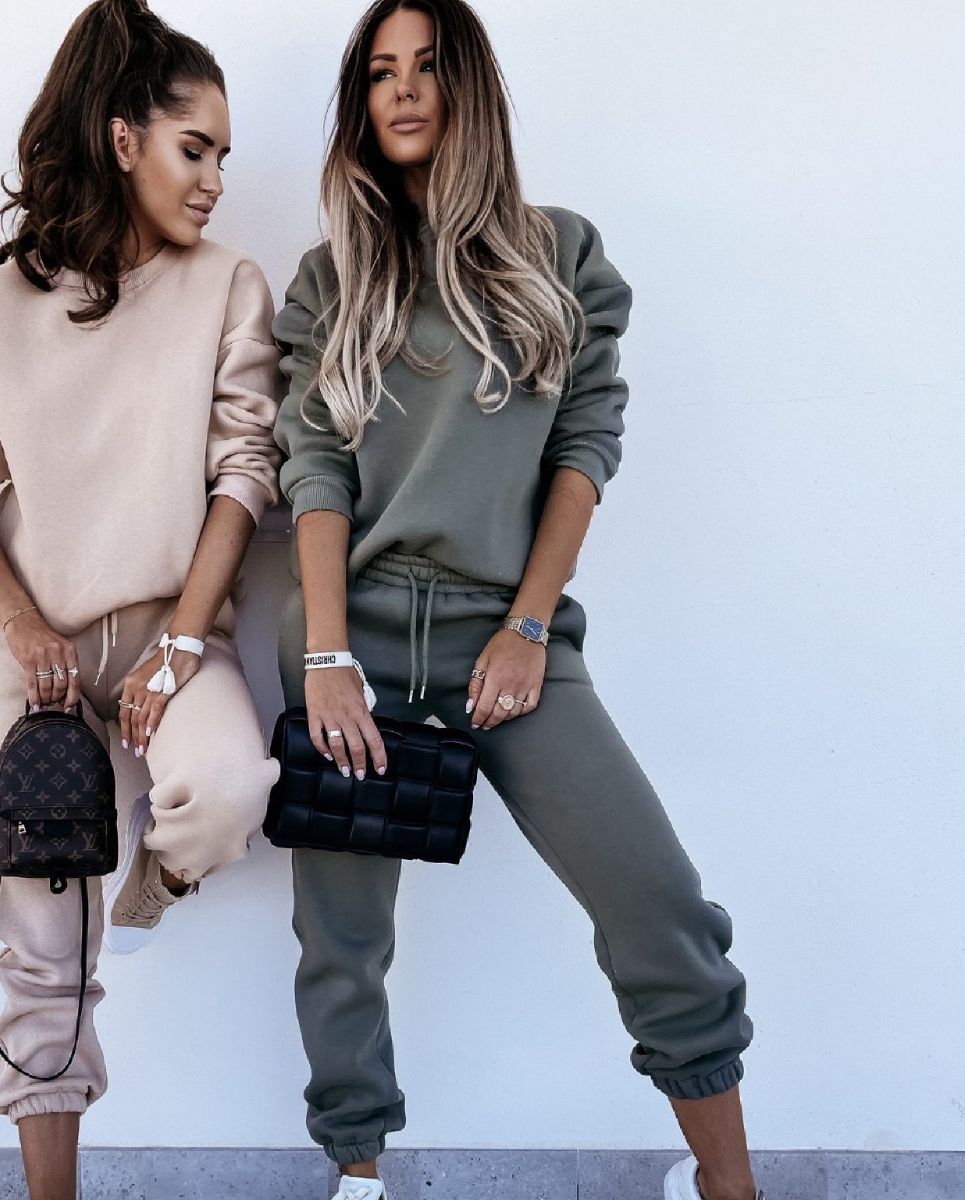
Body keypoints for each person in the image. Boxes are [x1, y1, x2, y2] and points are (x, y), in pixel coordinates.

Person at [272, 3, 761, 1199]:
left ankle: (729, 1187)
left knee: (659, 905)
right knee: (343, 943)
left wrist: (530, 626)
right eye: (379, 73)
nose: (402, 90)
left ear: (471, 88)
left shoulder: (563, 255)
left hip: (513, 634)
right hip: (354, 637)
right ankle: (359, 1179)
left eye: (428, 67)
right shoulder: (333, 277)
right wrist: (328, 654)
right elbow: (315, 468)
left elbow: (586, 445)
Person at [0, 2, 280, 1196]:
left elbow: (244, 473)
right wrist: (23, 625)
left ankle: (154, 882)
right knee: (38, 953)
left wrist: (180, 644)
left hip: (178, 631)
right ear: (125, 140)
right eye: (196, 148)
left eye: (224, 155)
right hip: (43, 661)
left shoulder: (227, 285)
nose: (217, 179)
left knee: (227, 791)